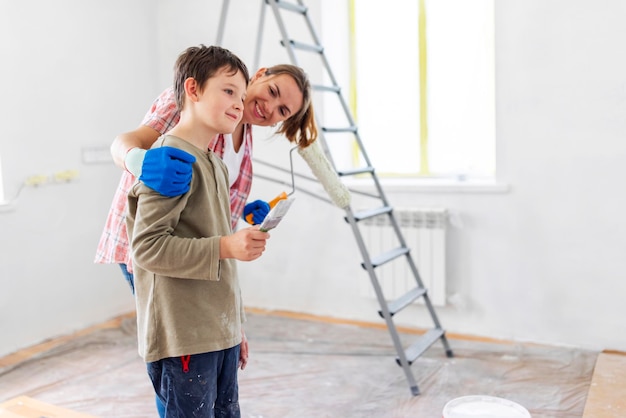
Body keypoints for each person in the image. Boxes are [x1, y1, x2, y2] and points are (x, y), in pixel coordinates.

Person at [95, 59, 317, 416]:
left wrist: (242, 212)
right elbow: (128, 145)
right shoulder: (194, 104)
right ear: (259, 76)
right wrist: (137, 160)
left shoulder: (239, 132)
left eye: (282, 111)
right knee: (180, 355)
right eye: (272, 92)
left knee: (204, 376)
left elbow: (210, 206)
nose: (269, 109)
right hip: (156, 251)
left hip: (204, 259)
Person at [126, 44, 265, 417]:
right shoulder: (170, 159)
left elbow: (218, 248)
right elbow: (148, 249)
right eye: (228, 90)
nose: (239, 103)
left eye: (241, 93)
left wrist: (234, 328)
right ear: (193, 89)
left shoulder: (216, 165)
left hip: (217, 333)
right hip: (185, 337)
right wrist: (226, 245)